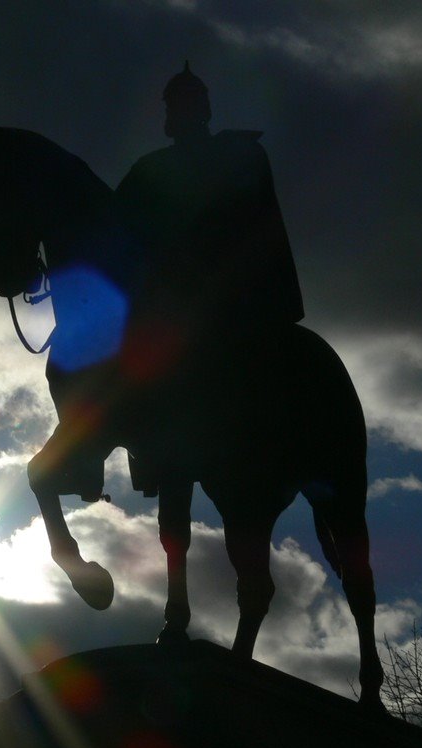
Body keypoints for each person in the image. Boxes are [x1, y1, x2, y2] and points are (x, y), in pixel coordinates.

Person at [114, 62, 305, 494]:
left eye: (182, 103)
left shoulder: (240, 153)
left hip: (234, 290)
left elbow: (252, 219)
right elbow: (114, 219)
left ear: (200, 108)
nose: (175, 112)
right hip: (174, 294)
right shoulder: (150, 168)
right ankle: (150, 453)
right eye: (171, 105)